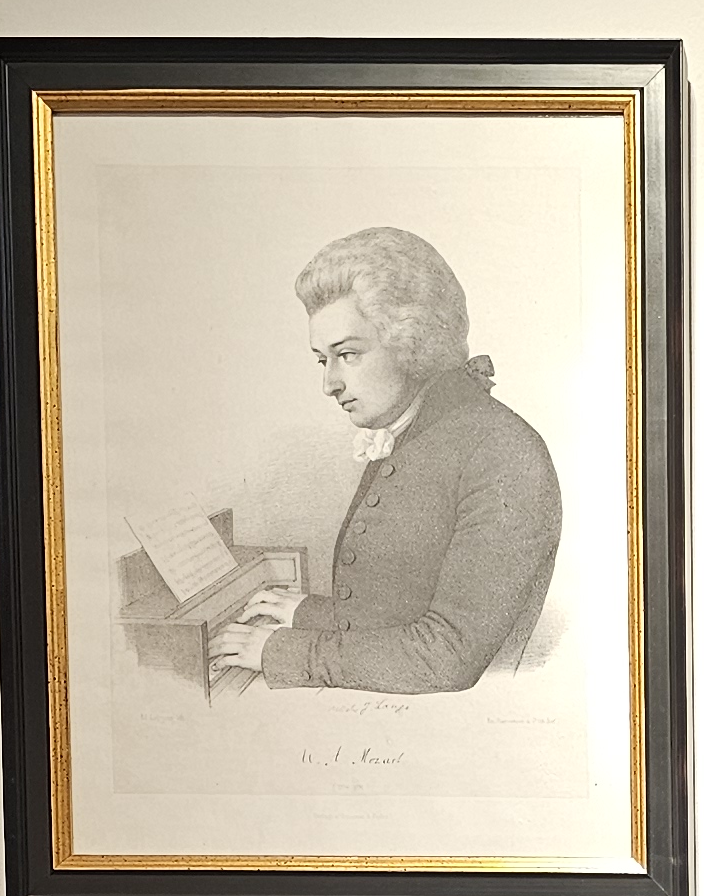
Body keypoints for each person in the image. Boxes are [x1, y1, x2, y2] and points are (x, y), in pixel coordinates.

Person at [215, 227, 561, 695]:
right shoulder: (411, 429)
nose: (330, 384)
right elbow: (400, 609)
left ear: (411, 340)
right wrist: (308, 613)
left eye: (348, 354)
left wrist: (283, 651)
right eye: (322, 360)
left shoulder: (502, 451)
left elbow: (446, 657)